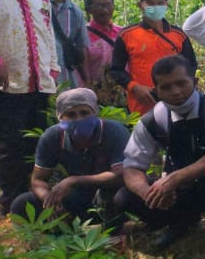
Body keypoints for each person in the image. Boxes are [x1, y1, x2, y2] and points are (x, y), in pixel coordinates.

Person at [114, 55, 205, 249]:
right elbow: (132, 167)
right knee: (124, 197)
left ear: (194, 82)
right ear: (156, 91)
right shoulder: (153, 120)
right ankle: (180, 222)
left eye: (181, 84)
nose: (176, 92)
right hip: (180, 192)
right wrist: (148, 193)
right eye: (166, 87)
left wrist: (174, 178)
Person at [0, 0, 61, 215]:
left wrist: (53, 69)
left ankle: (32, 199)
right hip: (6, 83)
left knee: (36, 141)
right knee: (8, 144)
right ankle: (11, 200)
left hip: (39, 82)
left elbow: (48, 35)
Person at [9, 88, 126, 230]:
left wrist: (73, 180)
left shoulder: (114, 131)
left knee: (123, 198)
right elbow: (38, 179)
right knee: (22, 203)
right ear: (60, 118)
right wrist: (48, 200)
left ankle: (111, 228)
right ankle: (45, 237)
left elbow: (120, 175)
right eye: (71, 115)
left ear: (95, 112)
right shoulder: (52, 136)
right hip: (78, 195)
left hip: (109, 192)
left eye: (84, 113)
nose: (79, 119)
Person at [109, 0, 198, 117]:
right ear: (141, 5)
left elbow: (190, 65)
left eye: (160, 3)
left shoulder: (178, 34)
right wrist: (134, 87)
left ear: (166, 5)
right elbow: (116, 70)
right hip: (143, 102)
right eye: (150, 3)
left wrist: (183, 90)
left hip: (176, 102)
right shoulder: (127, 35)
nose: (156, 7)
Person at [42, 0, 89, 87]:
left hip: (66, 80)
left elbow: (81, 47)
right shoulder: (32, 2)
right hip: (38, 80)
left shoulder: (75, 12)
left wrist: (87, 82)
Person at [82, 0, 125, 107]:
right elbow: (81, 69)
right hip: (95, 95)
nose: (105, 10)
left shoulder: (122, 33)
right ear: (89, 9)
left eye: (108, 5)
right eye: (99, 6)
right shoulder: (82, 35)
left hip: (122, 93)